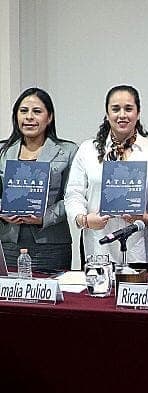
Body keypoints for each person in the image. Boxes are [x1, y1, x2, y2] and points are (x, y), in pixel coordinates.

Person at [64, 85, 148, 271]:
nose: (122, 115)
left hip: (142, 249)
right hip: (99, 247)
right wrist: (84, 219)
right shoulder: (87, 150)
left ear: (138, 113)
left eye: (128, 109)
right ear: (107, 113)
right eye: (116, 109)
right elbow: (73, 193)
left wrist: (145, 218)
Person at [0, 87, 78, 270]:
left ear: (49, 117)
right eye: (23, 111)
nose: (29, 117)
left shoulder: (68, 151)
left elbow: (73, 197)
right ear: (16, 116)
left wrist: (45, 217)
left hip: (52, 244)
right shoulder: (2, 152)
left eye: (37, 111)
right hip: (8, 242)